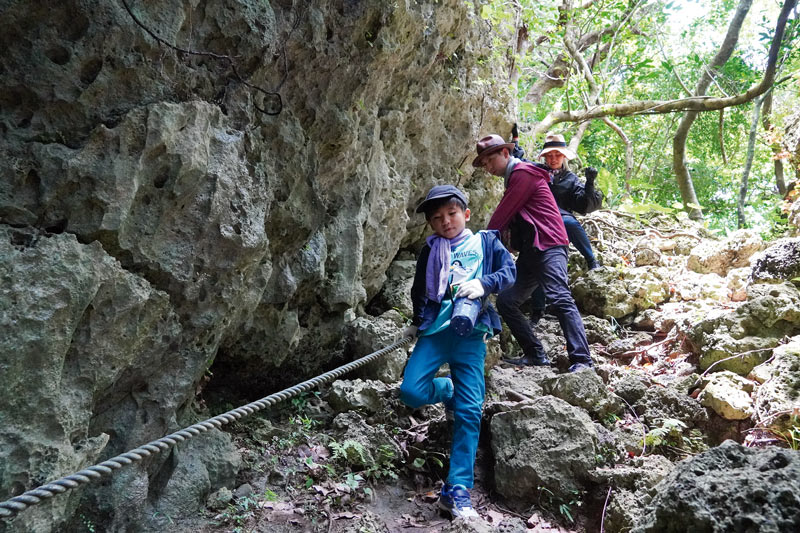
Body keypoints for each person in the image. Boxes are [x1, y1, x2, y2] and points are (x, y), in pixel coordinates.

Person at [400, 185, 516, 520]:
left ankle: (458, 489)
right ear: (430, 225)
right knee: (410, 391)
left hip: (471, 333)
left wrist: (484, 284)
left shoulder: (486, 242)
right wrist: (415, 322)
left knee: (468, 411)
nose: (446, 222)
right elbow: (420, 289)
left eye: (452, 214)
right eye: (437, 218)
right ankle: (447, 389)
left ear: (465, 214)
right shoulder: (431, 250)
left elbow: (509, 273)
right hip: (435, 332)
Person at [473, 134, 594, 372]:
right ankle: (535, 354)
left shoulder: (522, 174)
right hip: (532, 249)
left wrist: (476, 249)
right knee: (507, 301)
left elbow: (501, 217)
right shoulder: (516, 176)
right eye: (483, 163)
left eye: (489, 160)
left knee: (559, 297)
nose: (487, 167)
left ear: (505, 154)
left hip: (549, 244)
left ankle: (582, 361)